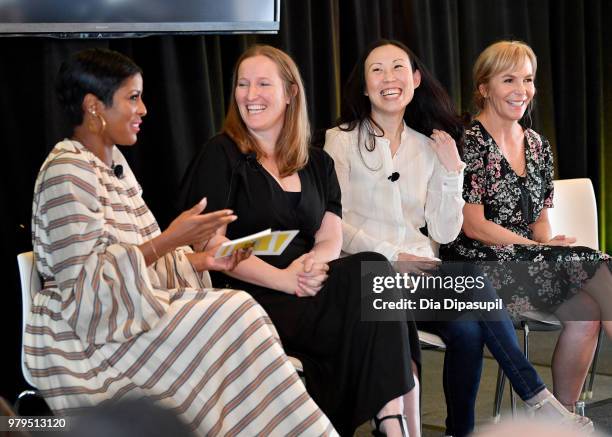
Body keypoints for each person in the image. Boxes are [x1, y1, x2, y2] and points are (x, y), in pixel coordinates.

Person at [27, 48, 337, 437]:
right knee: (237, 311)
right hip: (85, 335)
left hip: (132, 310)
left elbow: (137, 266)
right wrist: (172, 240)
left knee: (245, 312)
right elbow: (86, 290)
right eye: (132, 98)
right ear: (94, 107)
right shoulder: (66, 171)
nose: (144, 110)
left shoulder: (115, 167)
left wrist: (203, 261)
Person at [323, 39, 593, 437]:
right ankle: (538, 399)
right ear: (364, 87)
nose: (388, 78)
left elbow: (445, 231)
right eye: (376, 70)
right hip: (367, 277)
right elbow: (333, 221)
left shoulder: (429, 145)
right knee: (475, 285)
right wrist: (391, 254)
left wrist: (451, 172)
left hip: (422, 278)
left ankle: (459, 431)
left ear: (415, 79)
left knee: (467, 330)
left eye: (399, 68)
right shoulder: (340, 140)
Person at [180, 44, 421, 437]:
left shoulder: (316, 162)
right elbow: (211, 247)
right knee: (376, 293)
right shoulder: (221, 153)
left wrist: (314, 264)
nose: (250, 95)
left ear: (291, 93)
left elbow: (330, 234)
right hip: (250, 292)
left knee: (374, 269)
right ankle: (393, 424)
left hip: (309, 282)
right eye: (243, 84)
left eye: (262, 84)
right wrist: (285, 279)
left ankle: (390, 423)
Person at [440, 40, 612, 418]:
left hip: (526, 261)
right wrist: (542, 252)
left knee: (586, 311)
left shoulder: (537, 145)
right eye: (509, 79)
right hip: (477, 266)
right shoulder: (469, 143)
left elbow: (539, 224)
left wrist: (546, 246)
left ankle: (561, 416)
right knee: (598, 263)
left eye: (528, 79)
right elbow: (474, 227)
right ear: (484, 87)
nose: (522, 90)